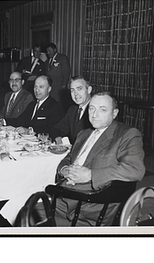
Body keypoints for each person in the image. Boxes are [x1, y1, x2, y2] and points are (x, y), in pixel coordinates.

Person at [49, 92, 145, 226]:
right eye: (92, 108)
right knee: (22, 205)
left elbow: (135, 169)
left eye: (103, 109)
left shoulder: (127, 134)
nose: (94, 114)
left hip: (91, 204)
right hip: (66, 195)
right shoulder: (83, 134)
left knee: (29, 211)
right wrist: (64, 169)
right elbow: (69, 157)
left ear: (115, 113)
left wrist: (90, 175)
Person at [50, 75, 92, 145]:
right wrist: (58, 138)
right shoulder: (73, 110)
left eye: (79, 89)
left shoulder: (95, 111)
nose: (75, 94)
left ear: (89, 90)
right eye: (72, 90)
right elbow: (57, 129)